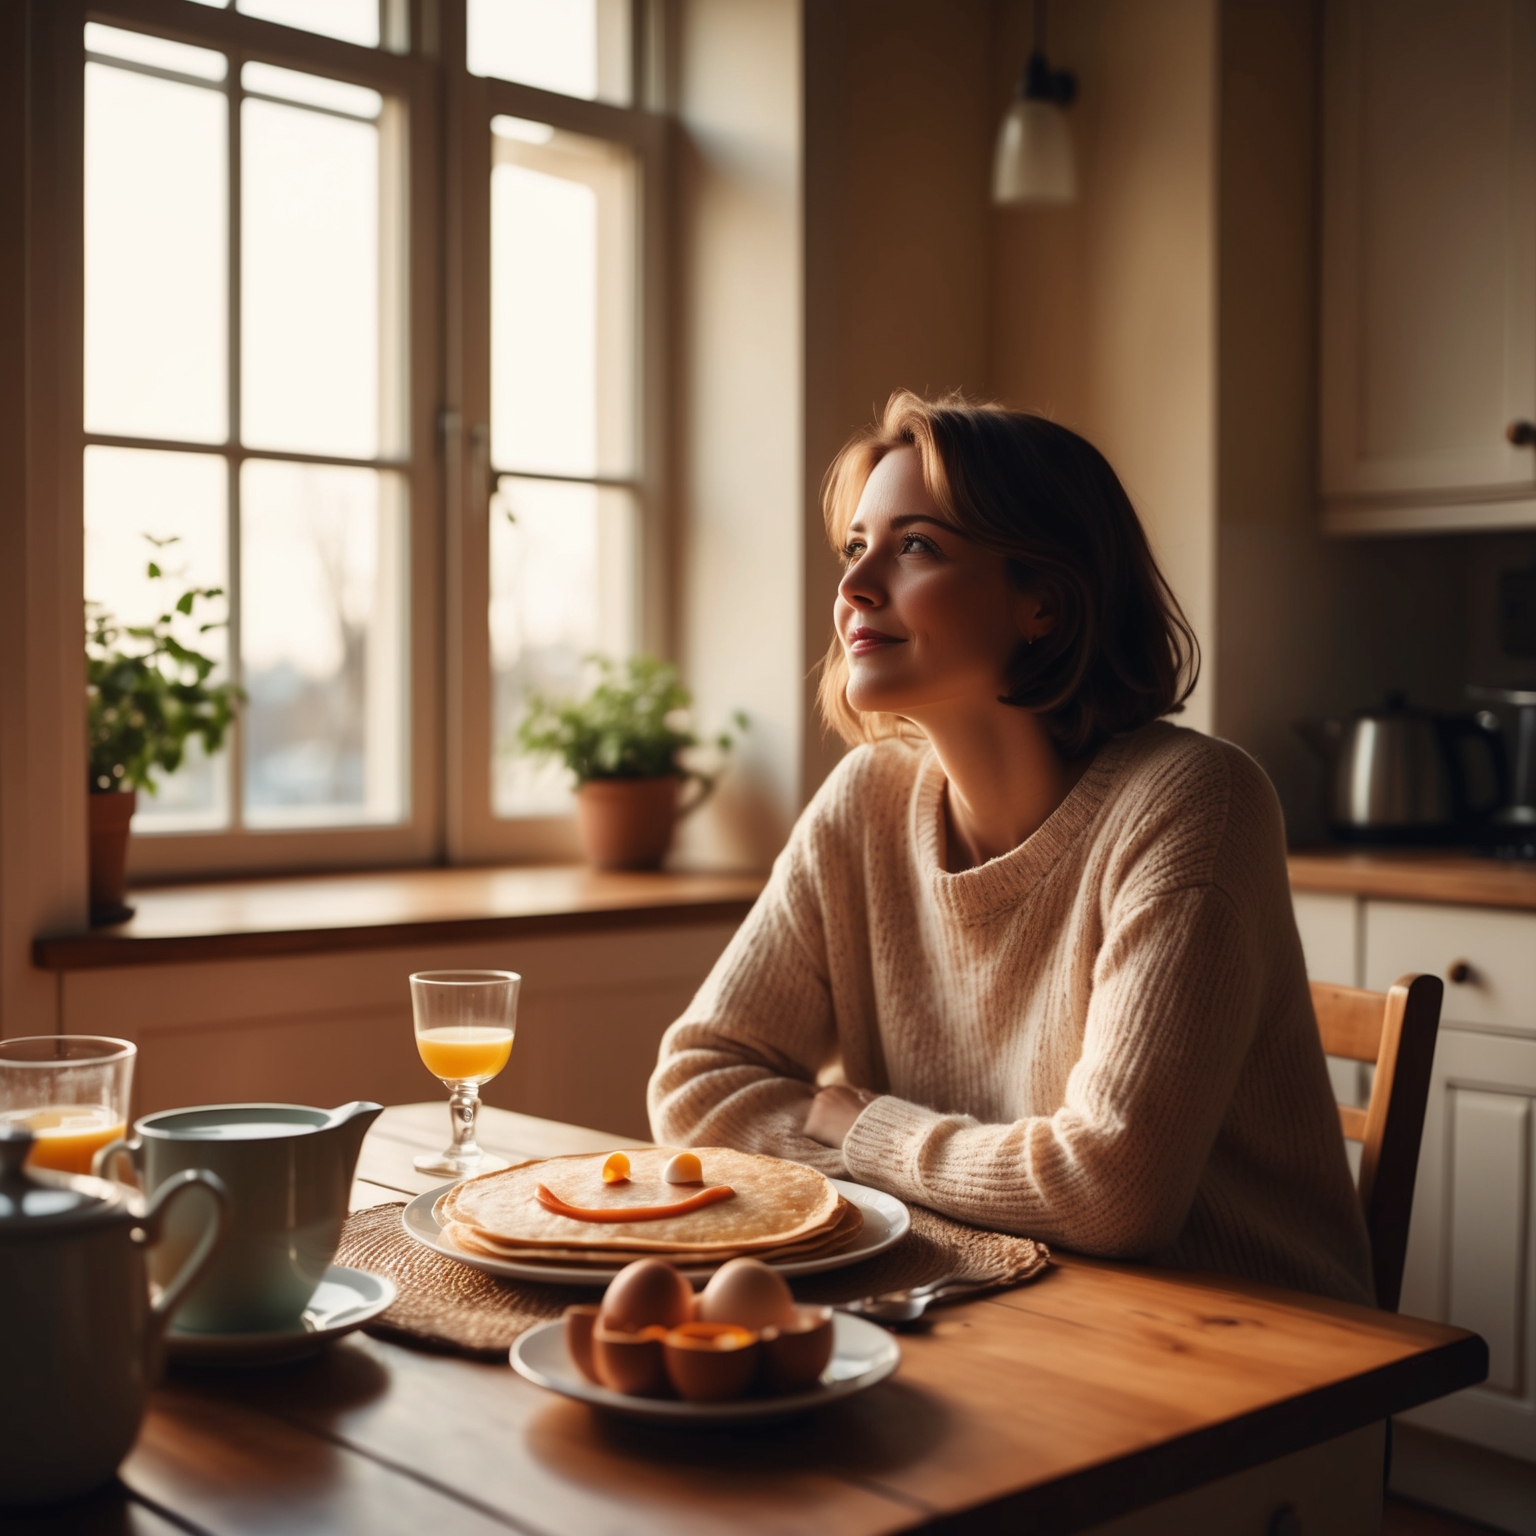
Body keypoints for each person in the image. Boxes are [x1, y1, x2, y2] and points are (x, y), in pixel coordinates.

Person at [648, 392, 1373, 1305]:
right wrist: (876, 1171)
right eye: (854, 547)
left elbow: (1113, 1192)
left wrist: (862, 1128)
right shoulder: (865, 803)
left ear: (1044, 603)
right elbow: (694, 1086)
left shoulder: (1196, 804)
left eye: (915, 546)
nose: (854, 587)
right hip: (980, 1298)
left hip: (1250, 1352)